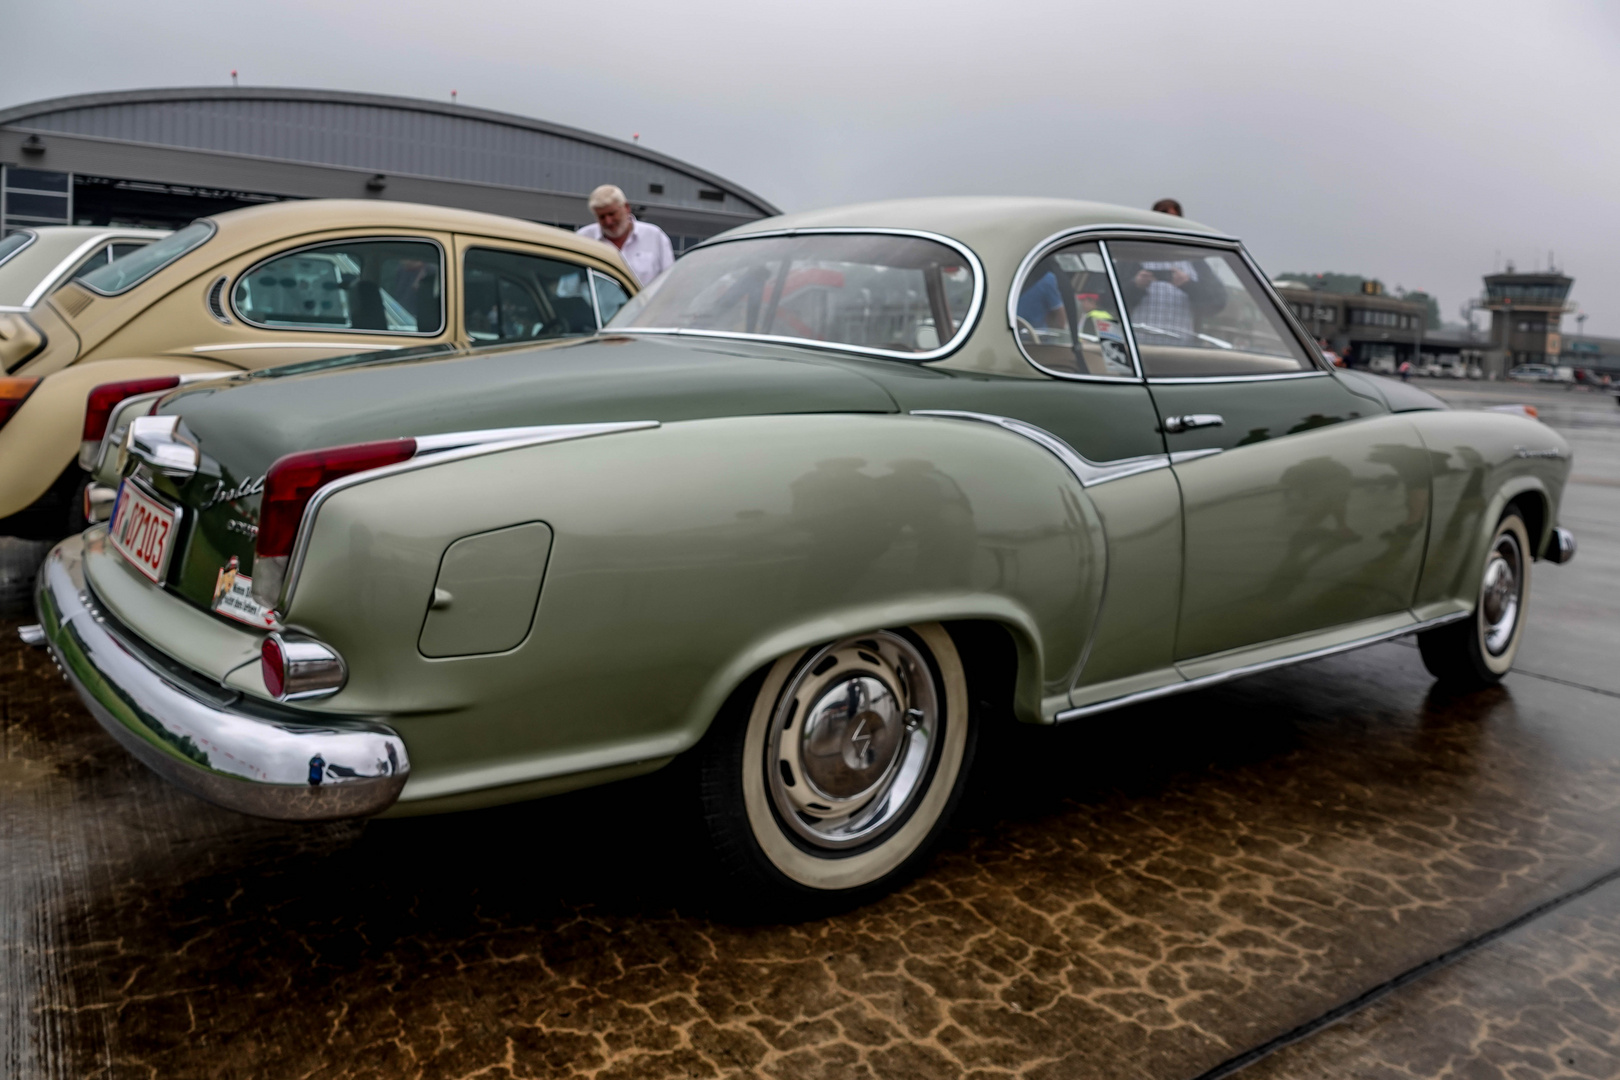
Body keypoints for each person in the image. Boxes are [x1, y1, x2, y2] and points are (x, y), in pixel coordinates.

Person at [577, 184, 674, 286]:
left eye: (612, 214)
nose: (608, 221)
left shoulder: (655, 237)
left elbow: (670, 281)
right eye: (602, 217)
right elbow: (568, 287)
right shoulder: (584, 239)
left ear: (627, 207)